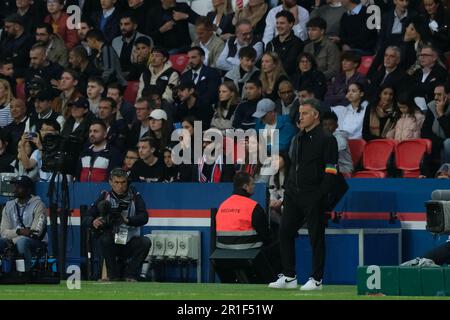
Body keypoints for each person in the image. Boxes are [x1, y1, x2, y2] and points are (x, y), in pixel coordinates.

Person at [269, 98, 338, 291]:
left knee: (316, 237)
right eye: (300, 113)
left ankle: (316, 279)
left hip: (314, 195)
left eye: (305, 113)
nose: (301, 117)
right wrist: (287, 192)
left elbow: (331, 170)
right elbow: (293, 168)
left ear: (315, 115)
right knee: (285, 232)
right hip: (293, 194)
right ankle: (289, 276)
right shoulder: (297, 137)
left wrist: (321, 194)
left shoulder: (327, 139)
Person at [85, 167, 151, 281]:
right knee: (104, 239)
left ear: (128, 182)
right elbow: (86, 217)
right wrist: (93, 222)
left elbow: (144, 217)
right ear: (110, 182)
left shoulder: (135, 196)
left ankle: (131, 275)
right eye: (116, 182)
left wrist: (127, 220)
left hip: (130, 241)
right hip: (113, 241)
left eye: (123, 182)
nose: (120, 186)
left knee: (145, 242)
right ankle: (112, 275)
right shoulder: (105, 197)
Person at [215, 171, 281, 279]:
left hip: (223, 253)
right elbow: (266, 236)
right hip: (249, 253)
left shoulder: (223, 205)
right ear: (245, 187)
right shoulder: (253, 206)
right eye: (252, 184)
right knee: (279, 246)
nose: (254, 187)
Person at [0, 175, 47, 272]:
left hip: (36, 243)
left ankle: (25, 273)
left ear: (28, 189)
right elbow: (3, 232)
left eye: (19, 187)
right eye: (15, 186)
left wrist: (14, 239)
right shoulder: (8, 206)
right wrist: (19, 232)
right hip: (13, 240)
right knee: (1, 241)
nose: (15, 189)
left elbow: (35, 233)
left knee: (22, 242)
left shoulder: (39, 205)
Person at [265, 10, 304, 78]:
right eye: (277, 23)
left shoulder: (297, 43)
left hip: (288, 80)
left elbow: (289, 66)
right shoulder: (271, 44)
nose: (278, 26)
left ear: (291, 24)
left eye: (282, 23)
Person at [303, 17, 340, 81]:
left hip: (324, 82)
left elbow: (334, 70)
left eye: (314, 30)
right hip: (308, 81)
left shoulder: (331, 46)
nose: (310, 32)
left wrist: (317, 77)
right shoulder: (307, 47)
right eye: (308, 30)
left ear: (322, 31)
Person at [322, 110, 353, 177]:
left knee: (323, 170)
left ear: (336, 125)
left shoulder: (339, 136)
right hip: (330, 166)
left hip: (344, 168)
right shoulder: (323, 137)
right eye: (324, 125)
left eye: (330, 124)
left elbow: (342, 146)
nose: (327, 127)